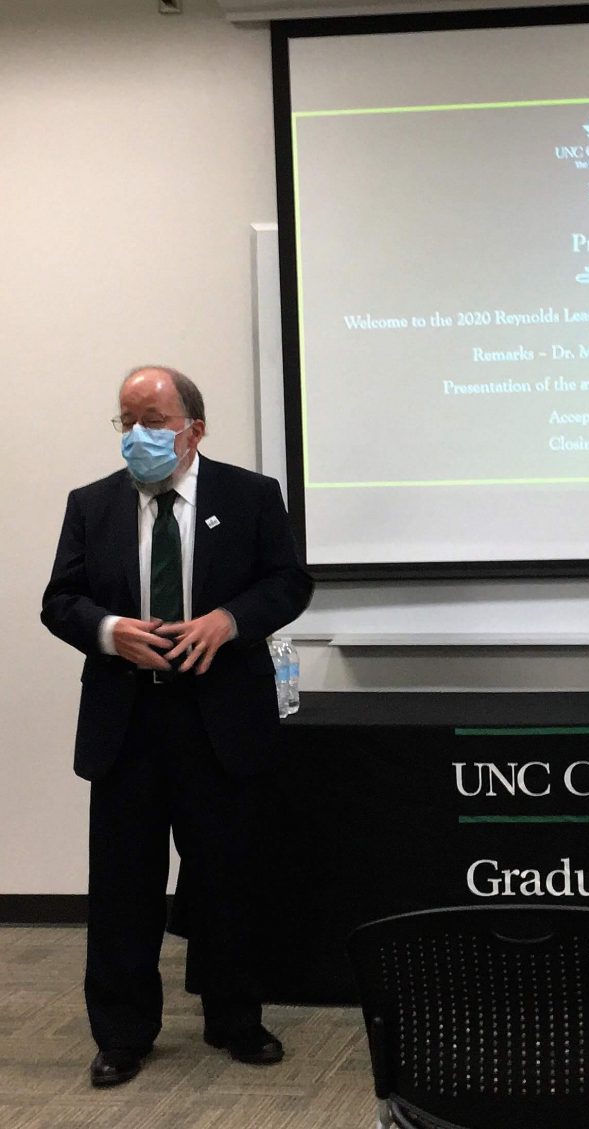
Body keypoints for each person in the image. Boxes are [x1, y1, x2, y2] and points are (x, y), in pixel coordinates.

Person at [41, 365, 314, 1087]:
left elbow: (288, 582)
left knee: (227, 874)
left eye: (154, 421)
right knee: (123, 883)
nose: (138, 436)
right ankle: (123, 1032)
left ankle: (235, 1017)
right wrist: (107, 631)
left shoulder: (250, 496)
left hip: (219, 715)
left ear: (194, 427)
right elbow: (59, 598)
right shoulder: (92, 504)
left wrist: (228, 621)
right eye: (125, 421)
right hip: (126, 720)